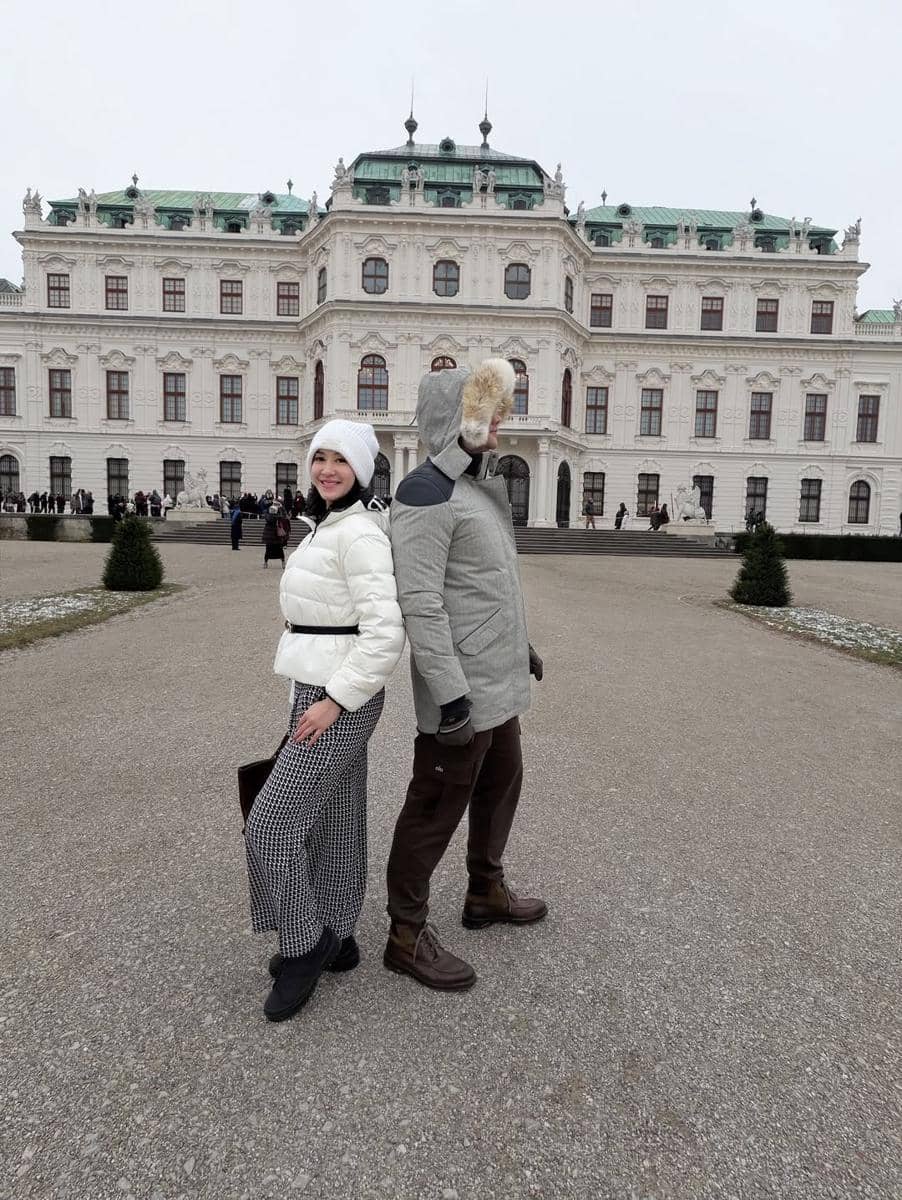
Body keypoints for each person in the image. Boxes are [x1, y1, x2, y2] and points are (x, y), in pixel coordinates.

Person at [384, 358, 546, 992]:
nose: (499, 434)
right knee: (434, 805)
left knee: (504, 780)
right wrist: (449, 696)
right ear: (456, 423)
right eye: (488, 421)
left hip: (497, 681)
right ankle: (405, 933)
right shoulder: (424, 493)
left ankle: (485, 891)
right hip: (462, 692)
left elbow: (485, 587)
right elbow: (421, 600)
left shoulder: (476, 487)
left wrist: (520, 646)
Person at [244, 418, 405, 1023]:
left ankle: (305, 941)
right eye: (320, 458)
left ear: (361, 470)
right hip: (319, 683)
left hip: (338, 694)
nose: (327, 469)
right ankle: (337, 931)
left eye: (340, 460)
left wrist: (335, 699)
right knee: (337, 815)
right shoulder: (329, 525)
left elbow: (385, 634)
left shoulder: (357, 533)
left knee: (271, 824)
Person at [262, 504, 286, 568]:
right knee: (272, 550)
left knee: (275, 549)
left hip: (273, 536)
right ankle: (266, 562)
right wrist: (280, 508)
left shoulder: (270, 516)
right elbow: (282, 516)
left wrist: (280, 508)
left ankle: (266, 563)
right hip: (273, 536)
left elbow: (283, 516)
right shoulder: (275, 517)